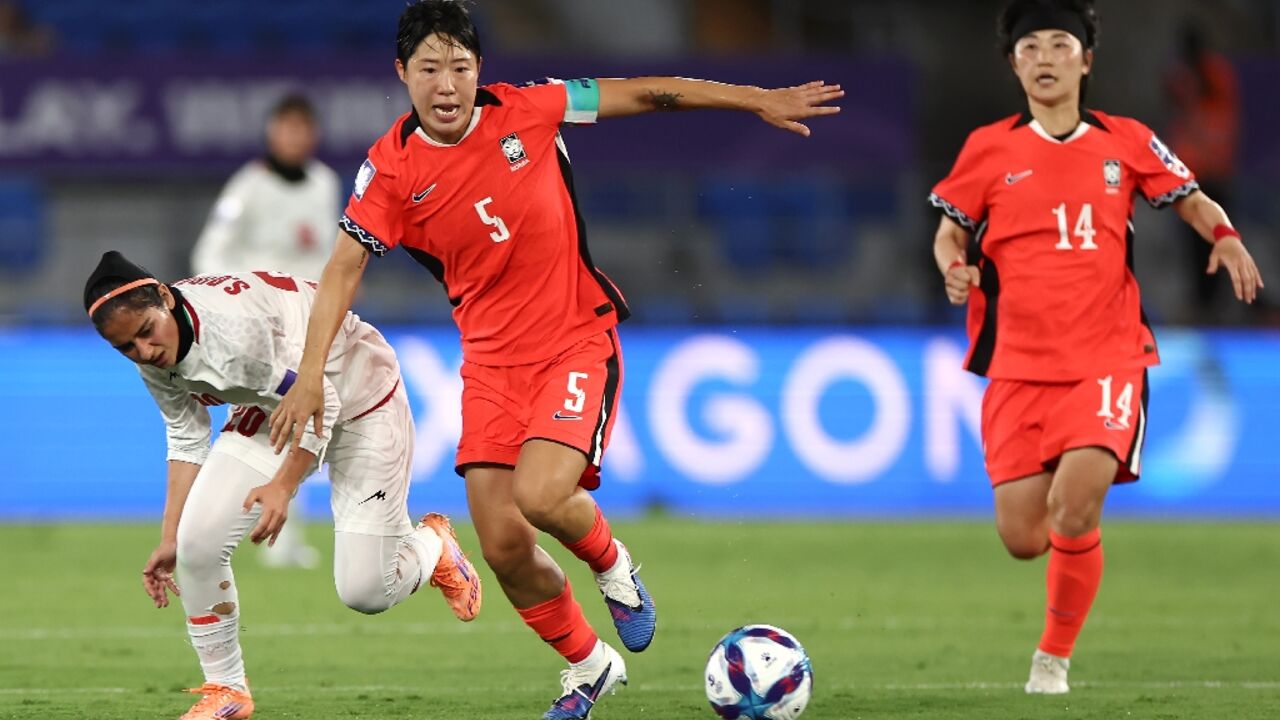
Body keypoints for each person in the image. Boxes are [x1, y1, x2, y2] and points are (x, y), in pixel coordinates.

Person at [267, 2, 842, 717]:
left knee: (541, 497)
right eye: (428, 69)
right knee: (503, 544)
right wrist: (313, 373)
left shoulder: (532, 109)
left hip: (574, 337)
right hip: (489, 363)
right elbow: (345, 266)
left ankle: (613, 564)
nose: (446, 86)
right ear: (401, 74)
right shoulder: (388, 170)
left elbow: (646, 92)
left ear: (480, 70)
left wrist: (750, 97)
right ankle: (588, 666)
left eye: (460, 67)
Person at [929, 0, 1263, 695]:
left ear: (1086, 59)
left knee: (1076, 507)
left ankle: (1052, 660)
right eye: (1030, 48)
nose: (1045, 58)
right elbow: (948, 231)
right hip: (1017, 368)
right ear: (1013, 64)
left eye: (1059, 45)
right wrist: (952, 266)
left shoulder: (1127, 140)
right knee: (1025, 537)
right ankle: (1065, 559)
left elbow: (1193, 197)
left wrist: (1225, 235)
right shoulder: (988, 148)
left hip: (1106, 359)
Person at [84, 251, 482, 720]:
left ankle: (433, 544)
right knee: (197, 545)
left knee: (366, 592)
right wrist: (170, 536)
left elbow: (323, 401)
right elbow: (187, 433)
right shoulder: (150, 350)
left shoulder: (232, 334)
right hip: (275, 402)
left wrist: (283, 485)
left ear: (166, 299)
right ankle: (226, 691)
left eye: (147, 332)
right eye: (126, 347)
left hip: (361, 399)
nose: (145, 352)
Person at [191, 92, 342, 568]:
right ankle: (255, 534)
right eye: (286, 127)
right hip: (261, 327)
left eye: (302, 128)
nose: (294, 137)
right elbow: (209, 254)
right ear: (272, 133)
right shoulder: (247, 187)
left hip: (312, 322)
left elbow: (333, 256)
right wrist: (237, 302)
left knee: (310, 425)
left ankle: (283, 535)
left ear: (312, 134)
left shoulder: (324, 183)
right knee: (268, 430)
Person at [1163, 20, 1243, 324]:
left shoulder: (1215, 73)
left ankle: (1218, 302)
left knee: (1219, 236)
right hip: (1189, 175)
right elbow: (1173, 106)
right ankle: (1199, 301)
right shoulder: (1180, 76)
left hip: (1216, 173)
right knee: (1192, 242)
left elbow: (1223, 112)